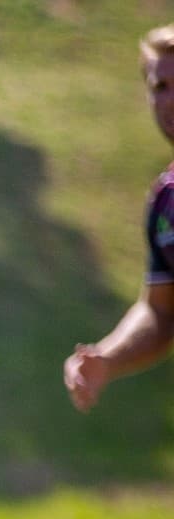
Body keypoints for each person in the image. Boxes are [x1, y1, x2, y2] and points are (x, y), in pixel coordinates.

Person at [64, 23, 174, 413]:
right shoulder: (167, 202)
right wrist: (107, 359)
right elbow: (161, 311)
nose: (170, 100)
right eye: (160, 87)